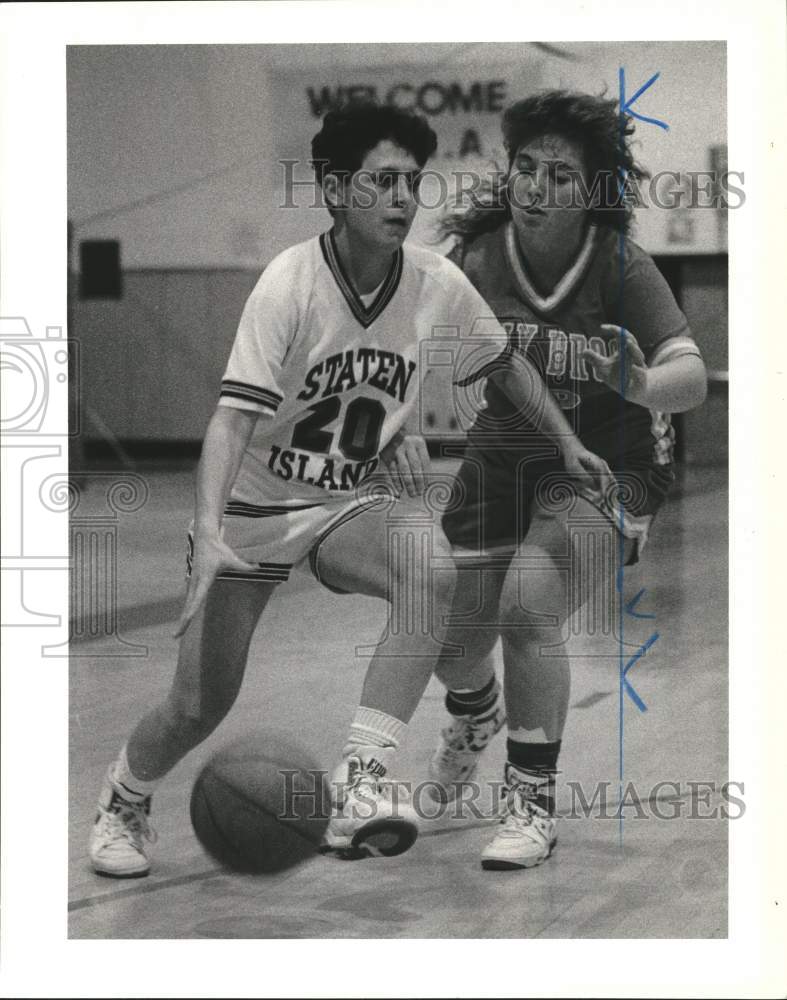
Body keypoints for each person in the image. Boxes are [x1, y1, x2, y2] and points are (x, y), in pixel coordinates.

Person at [88, 102, 599, 877]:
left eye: (411, 183)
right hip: (252, 512)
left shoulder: (434, 281)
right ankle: (125, 794)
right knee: (198, 706)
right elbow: (231, 422)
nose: (401, 199)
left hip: (340, 503)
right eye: (382, 182)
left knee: (427, 569)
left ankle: (360, 780)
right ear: (335, 190)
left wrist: (566, 442)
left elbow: (506, 365)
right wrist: (208, 530)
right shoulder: (288, 285)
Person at [428, 90, 708, 870]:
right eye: (525, 168)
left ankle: (530, 804)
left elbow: (688, 374)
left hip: (610, 466)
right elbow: (409, 348)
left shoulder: (618, 263)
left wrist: (645, 385)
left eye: (558, 174)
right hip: (500, 462)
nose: (535, 187)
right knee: (448, 642)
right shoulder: (476, 258)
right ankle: (475, 709)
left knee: (530, 600)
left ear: (590, 190)